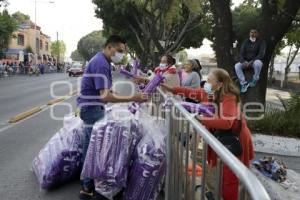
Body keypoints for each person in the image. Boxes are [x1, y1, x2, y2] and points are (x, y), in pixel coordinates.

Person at [161, 68, 254, 200]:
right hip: (222, 136)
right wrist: (167, 87)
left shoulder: (229, 97)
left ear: (220, 84)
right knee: (223, 174)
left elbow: (227, 123)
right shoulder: (210, 92)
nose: (207, 83)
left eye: (210, 80)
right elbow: (189, 91)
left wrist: (199, 118)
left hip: (235, 138)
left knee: (231, 176)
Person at [76, 35, 148, 200]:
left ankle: (87, 185)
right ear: (110, 47)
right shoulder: (101, 63)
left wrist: (125, 98)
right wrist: (133, 98)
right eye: (120, 51)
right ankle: (89, 186)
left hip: (91, 107)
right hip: (92, 109)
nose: (121, 54)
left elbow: (108, 91)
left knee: (91, 146)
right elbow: (104, 96)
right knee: (96, 148)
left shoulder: (103, 61)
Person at [235, 28, 266, 93]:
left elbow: (261, 54)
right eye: (251, 32)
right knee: (237, 66)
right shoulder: (245, 42)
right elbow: (241, 54)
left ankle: (255, 79)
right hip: (245, 62)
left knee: (258, 63)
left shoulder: (261, 42)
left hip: (254, 62)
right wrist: (243, 61)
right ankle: (243, 83)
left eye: (254, 32)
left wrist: (252, 61)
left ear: (257, 34)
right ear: (249, 33)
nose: (252, 34)